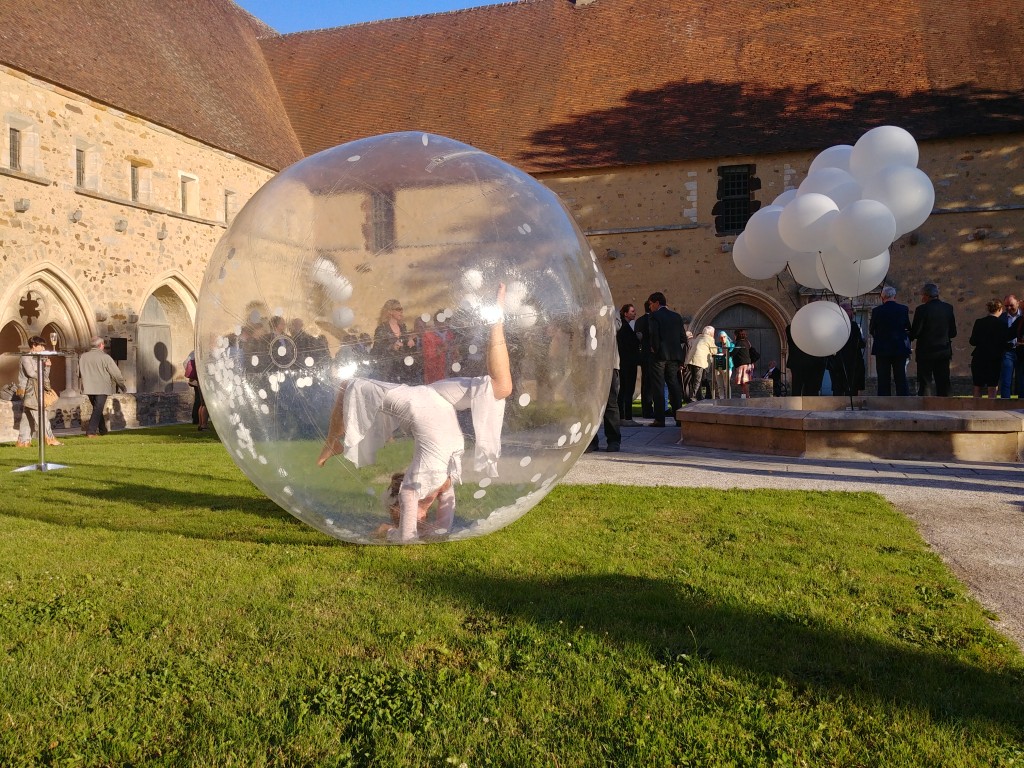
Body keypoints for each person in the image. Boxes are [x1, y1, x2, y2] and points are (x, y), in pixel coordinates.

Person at [317, 284, 512, 542]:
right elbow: (443, 531)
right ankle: (496, 318)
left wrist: (389, 532)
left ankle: (333, 442)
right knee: (502, 387)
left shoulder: (413, 486)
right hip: (438, 397)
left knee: (347, 386)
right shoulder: (442, 486)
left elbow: (407, 540)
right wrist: (425, 529)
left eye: (419, 518)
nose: (424, 520)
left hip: (417, 403)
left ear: (399, 510)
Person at [643, 291, 686, 426]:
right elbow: (683, 337)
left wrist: (654, 349)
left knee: (658, 386)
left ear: (656, 303)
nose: (650, 307)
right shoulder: (676, 316)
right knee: (673, 385)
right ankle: (679, 417)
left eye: (650, 304)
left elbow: (654, 335)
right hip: (674, 356)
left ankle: (660, 419)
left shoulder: (654, 316)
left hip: (659, 356)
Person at [910, 282, 957, 396]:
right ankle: (946, 406)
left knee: (925, 382)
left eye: (923, 295)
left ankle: (926, 407)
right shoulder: (948, 308)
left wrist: (910, 335)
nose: (922, 298)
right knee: (943, 382)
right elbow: (953, 332)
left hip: (925, 351)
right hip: (943, 351)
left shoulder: (922, 309)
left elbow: (916, 332)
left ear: (926, 295)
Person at [15, 336, 61, 448]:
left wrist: (48, 367)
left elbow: (44, 376)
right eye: (41, 345)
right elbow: (31, 373)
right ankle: (49, 438)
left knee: (27, 416)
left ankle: (23, 441)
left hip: (36, 389)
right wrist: (42, 368)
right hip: (27, 390)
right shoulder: (26, 357)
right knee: (41, 414)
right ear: (34, 346)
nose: (43, 347)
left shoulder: (40, 357)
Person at [79, 336, 127, 437]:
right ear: (101, 345)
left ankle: (103, 430)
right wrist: (122, 385)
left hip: (88, 387)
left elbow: (78, 372)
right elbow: (116, 373)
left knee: (97, 408)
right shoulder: (105, 357)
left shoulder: (83, 357)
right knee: (98, 409)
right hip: (101, 387)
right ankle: (91, 431)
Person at [869, 285, 912, 396]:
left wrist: (879, 337)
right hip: (899, 347)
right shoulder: (903, 309)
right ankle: (903, 402)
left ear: (882, 297)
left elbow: (871, 329)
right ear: (894, 296)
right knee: (901, 377)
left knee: (883, 378)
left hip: (882, 349)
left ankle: (884, 403)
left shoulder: (877, 311)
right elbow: (908, 327)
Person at [969, 298, 1006, 398]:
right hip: (994, 358)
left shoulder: (979, 322)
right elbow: (1003, 342)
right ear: (1000, 309)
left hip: (979, 357)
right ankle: (991, 409)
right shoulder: (1001, 324)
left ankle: (976, 408)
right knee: (992, 386)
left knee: (977, 385)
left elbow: (972, 341)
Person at [372, 298, 415, 383]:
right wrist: (391, 347)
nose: (401, 312)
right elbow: (376, 350)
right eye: (398, 309)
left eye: (402, 309)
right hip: (388, 371)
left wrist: (410, 340)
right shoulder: (382, 329)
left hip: (403, 369)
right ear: (390, 311)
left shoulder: (402, 327)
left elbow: (406, 343)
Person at [828, 302, 866, 396]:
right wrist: (863, 341)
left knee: (838, 389)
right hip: (851, 363)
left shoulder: (832, 325)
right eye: (851, 310)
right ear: (845, 312)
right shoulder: (853, 326)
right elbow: (859, 343)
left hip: (836, 363)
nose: (853, 313)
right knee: (851, 389)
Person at [785, 322, 826, 396]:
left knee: (811, 390)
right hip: (798, 363)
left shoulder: (815, 328)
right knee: (797, 389)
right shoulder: (790, 328)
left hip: (813, 363)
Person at [616, 303, 640, 423]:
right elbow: (629, 345)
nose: (634, 313)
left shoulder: (624, 326)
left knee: (624, 389)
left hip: (625, 361)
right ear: (625, 313)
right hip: (628, 362)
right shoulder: (625, 328)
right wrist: (638, 339)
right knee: (628, 389)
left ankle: (622, 416)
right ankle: (627, 417)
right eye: (632, 311)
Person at [682, 325, 717, 403]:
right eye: (713, 333)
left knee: (696, 380)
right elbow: (714, 351)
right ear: (711, 333)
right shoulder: (709, 338)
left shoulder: (699, 337)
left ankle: (699, 396)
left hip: (691, 361)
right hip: (699, 362)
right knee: (697, 380)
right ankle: (693, 397)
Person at [998, 294, 1023, 398]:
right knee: (1006, 380)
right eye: (1006, 306)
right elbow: (1003, 335)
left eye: (1011, 305)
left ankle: (1021, 406)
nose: (1008, 308)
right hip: (1008, 351)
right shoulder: (1001, 318)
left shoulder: (1022, 317)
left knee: (1022, 380)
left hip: (1022, 352)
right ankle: (1005, 404)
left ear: (1017, 303)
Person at [634, 300, 655, 418]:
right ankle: (654, 409)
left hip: (643, 355)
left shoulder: (639, 321)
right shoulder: (653, 320)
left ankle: (646, 410)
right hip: (653, 355)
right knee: (653, 384)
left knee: (645, 383)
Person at [184, 351, 209, 431]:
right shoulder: (200, 354)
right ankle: (203, 425)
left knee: (201, 403)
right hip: (202, 381)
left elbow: (185, 363)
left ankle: (200, 423)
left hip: (198, 380)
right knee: (204, 404)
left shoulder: (194, 354)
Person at [730, 329, 755, 398]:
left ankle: (747, 396)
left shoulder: (739, 342)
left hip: (742, 364)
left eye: (735, 335)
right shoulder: (746, 342)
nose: (734, 337)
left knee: (744, 382)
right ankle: (744, 395)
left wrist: (727, 354)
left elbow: (735, 352)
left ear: (737, 335)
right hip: (747, 364)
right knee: (743, 382)